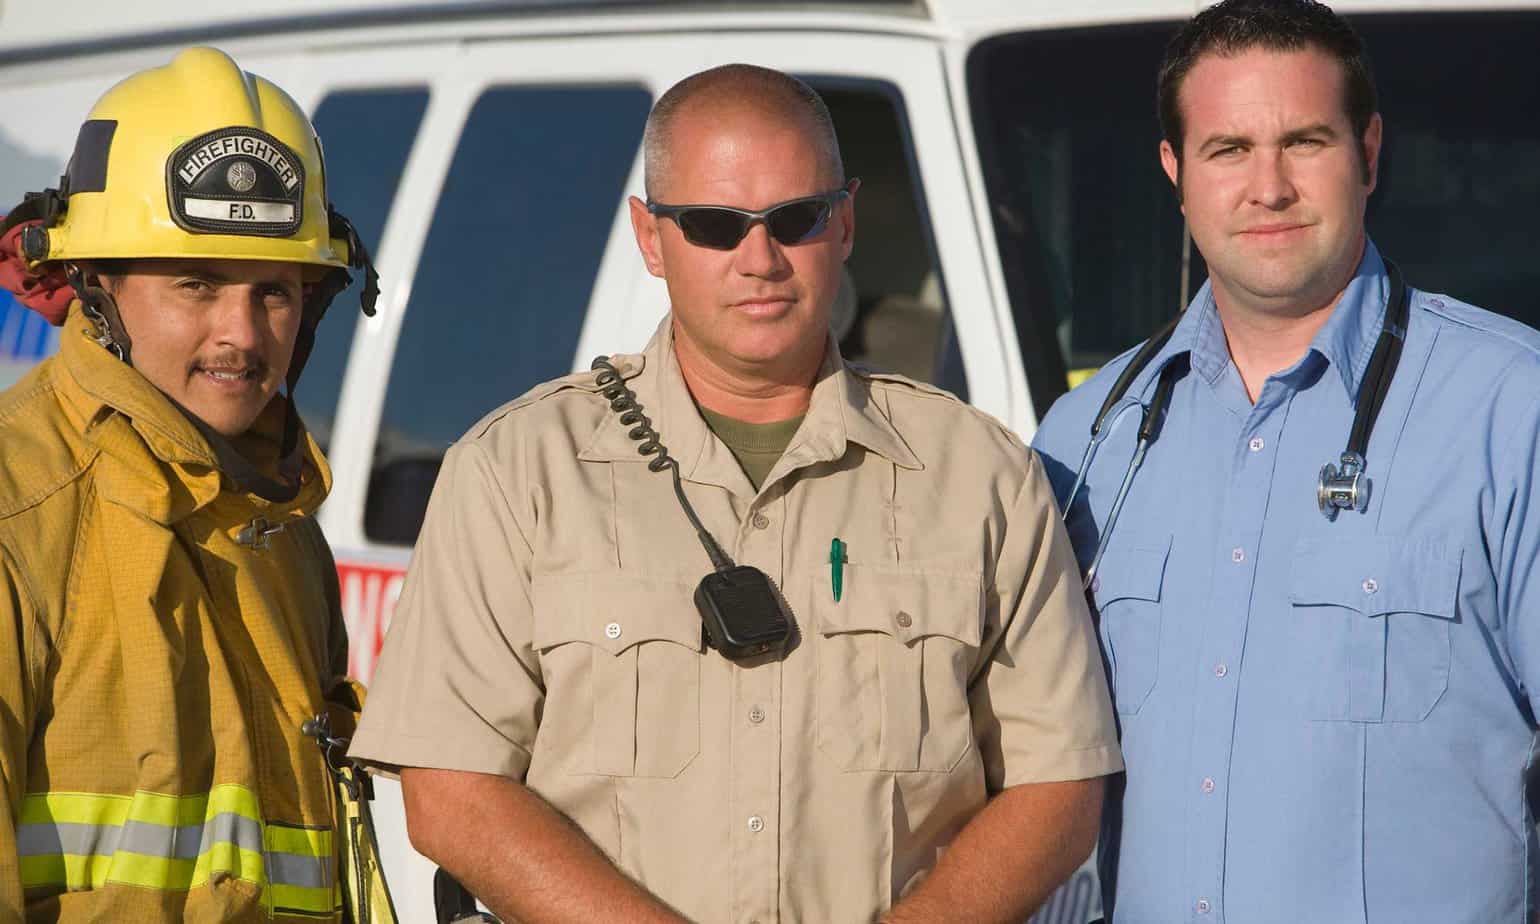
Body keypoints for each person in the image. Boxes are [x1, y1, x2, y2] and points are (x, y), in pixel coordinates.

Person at [349, 63, 1120, 924]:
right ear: (651, 237)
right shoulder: (516, 470)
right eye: (715, 225)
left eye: (795, 219)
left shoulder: (982, 475)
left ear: (846, 222)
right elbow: (452, 793)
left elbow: (1058, 783)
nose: (760, 259)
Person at [1032, 1, 1540, 921]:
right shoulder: (1083, 439)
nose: (1268, 187)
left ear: (1370, 153)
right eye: (1228, 149)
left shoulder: (1513, 410)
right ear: (1174, 172)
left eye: (1304, 142)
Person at [0, 47, 380, 922]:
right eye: (195, 285)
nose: (240, 335)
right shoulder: (22, 515)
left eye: (275, 292)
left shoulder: (283, 526)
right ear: (98, 286)